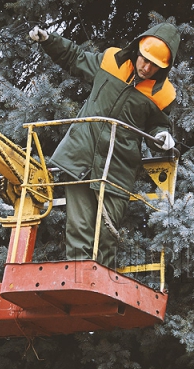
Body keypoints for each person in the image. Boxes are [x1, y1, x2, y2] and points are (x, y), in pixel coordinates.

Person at [29, 22, 180, 269]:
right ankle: (77, 287)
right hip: (80, 157)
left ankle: (100, 289)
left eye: (154, 65)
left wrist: (162, 136)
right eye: (144, 59)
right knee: (79, 228)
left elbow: (157, 125)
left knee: (106, 235)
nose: (146, 67)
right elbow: (73, 57)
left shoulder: (163, 94)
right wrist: (48, 40)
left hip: (117, 169)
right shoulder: (111, 61)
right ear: (138, 50)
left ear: (164, 68)